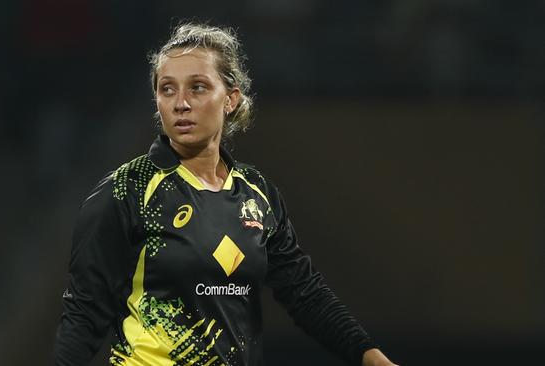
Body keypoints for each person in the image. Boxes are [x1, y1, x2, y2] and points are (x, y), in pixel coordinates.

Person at [54, 23, 398, 366]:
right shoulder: (128, 188)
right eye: (167, 90)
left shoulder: (256, 193)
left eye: (198, 87)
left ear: (231, 99)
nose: (181, 103)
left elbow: (303, 292)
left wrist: (369, 356)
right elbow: (84, 313)